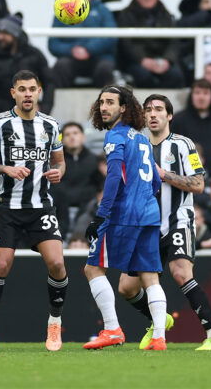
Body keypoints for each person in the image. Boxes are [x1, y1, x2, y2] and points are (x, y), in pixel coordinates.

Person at [116, 94, 211, 350]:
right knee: (127, 287)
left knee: (181, 272)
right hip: (145, 226)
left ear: (169, 116)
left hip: (177, 219)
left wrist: (164, 174)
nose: (152, 114)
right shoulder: (135, 145)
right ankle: (158, 320)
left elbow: (199, 184)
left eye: (158, 110)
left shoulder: (184, 145)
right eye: (148, 110)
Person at [0, 70, 67, 353]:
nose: (28, 94)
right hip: (8, 208)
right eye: (22, 89)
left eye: (32, 89)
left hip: (40, 207)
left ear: (40, 92)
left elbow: (60, 161)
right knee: (1, 266)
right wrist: (5, 168)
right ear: (13, 92)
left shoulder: (50, 125)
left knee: (58, 265)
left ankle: (54, 324)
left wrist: (58, 173)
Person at [82, 85, 167, 351]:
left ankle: (112, 329)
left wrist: (101, 215)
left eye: (110, 102)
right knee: (150, 276)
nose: (104, 107)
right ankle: (159, 338)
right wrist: (143, 199)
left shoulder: (115, 137)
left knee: (93, 268)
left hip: (125, 214)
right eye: (101, 103)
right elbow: (155, 181)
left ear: (123, 108)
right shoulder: (142, 139)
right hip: (150, 213)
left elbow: (114, 177)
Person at [116, 0, 184, 89]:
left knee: (176, 76)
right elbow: (126, 43)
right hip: (137, 60)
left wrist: (167, 60)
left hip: (162, 59)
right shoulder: (126, 15)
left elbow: (174, 42)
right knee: (143, 77)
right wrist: (142, 60)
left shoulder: (166, 15)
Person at [49, 0, 117, 88]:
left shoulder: (103, 10)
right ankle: (59, 102)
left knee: (105, 68)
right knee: (60, 67)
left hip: (99, 56)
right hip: (70, 57)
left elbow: (111, 37)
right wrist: (72, 50)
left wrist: (89, 49)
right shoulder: (61, 13)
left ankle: (107, 101)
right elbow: (53, 43)